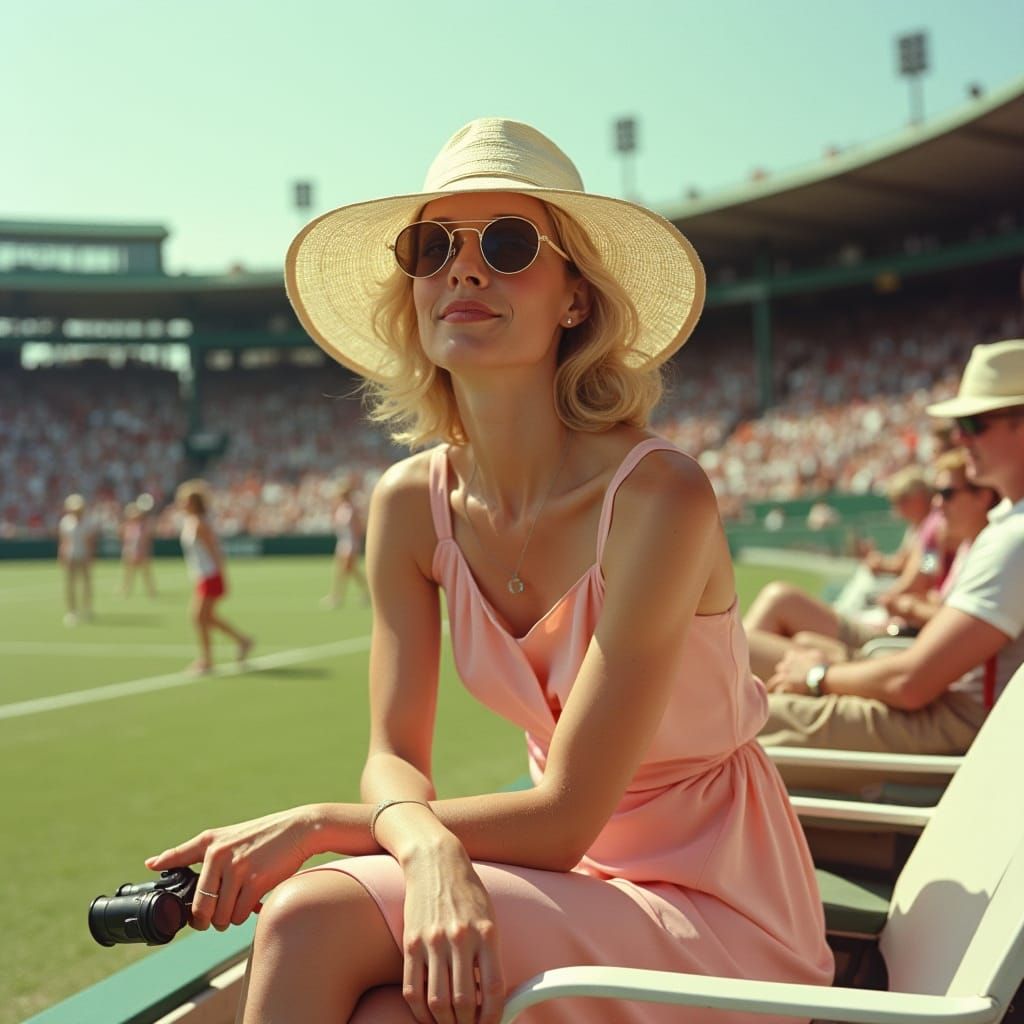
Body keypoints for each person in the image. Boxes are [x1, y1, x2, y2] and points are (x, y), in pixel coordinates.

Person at [146, 118, 832, 1024]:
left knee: (312, 913)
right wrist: (424, 848)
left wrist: (320, 827)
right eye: (433, 248)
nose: (463, 271)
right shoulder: (407, 505)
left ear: (575, 300)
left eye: (508, 246)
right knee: (387, 1013)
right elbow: (393, 756)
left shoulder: (659, 498)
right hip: (568, 887)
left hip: (719, 912)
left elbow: (562, 816)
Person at [760, 338, 1024, 757]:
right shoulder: (1006, 525)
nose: (960, 438)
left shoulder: (1016, 538)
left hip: (960, 729)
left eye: (975, 424)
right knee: (743, 674)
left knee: (735, 716)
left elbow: (910, 684)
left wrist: (819, 675)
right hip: (947, 706)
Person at [175, 479, 253, 675]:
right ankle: (242, 640)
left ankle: (207, 660)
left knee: (198, 617)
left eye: (185, 501)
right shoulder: (190, 522)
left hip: (210, 575)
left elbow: (215, 551)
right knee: (206, 618)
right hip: (202, 575)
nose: (181, 504)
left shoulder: (201, 524)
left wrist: (221, 575)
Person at [321, 481, 369, 607]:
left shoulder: (351, 509)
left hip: (350, 543)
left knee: (346, 570)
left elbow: (358, 527)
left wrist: (355, 543)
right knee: (347, 570)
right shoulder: (341, 509)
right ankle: (366, 592)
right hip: (342, 542)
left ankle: (337, 596)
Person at [57, 493, 95, 626]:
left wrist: (89, 556)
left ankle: (87, 608)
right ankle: (72, 611)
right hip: (70, 555)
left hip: (83, 555)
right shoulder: (66, 522)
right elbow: (63, 542)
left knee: (86, 583)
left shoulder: (88, 522)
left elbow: (90, 542)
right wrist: (62, 556)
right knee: (70, 584)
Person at [119, 495, 158, 598]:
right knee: (128, 574)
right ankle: (126, 590)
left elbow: (146, 540)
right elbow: (124, 539)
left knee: (146, 574)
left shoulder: (143, 526)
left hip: (141, 552)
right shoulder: (127, 526)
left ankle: (151, 591)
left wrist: (143, 551)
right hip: (129, 552)